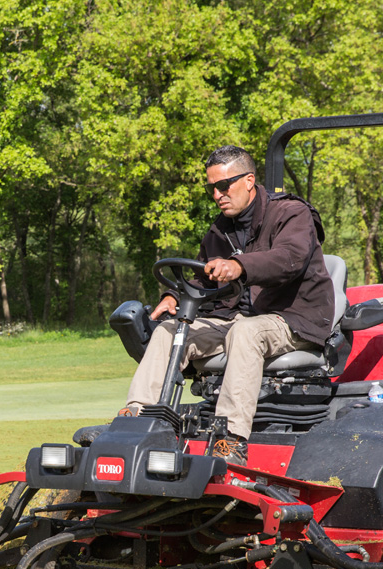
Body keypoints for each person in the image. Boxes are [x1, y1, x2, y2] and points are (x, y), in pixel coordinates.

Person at [123, 145, 334, 463]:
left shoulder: (291, 213)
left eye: (224, 185)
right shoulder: (220, 230)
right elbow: (203, 278)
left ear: (249, 180)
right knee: (169, 331)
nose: (217, 194)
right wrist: (173, 297)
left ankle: (230, 439)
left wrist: (241, 266)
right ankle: (137, 422)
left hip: (293, 319)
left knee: (246, 332)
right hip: (236, 319)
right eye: (211, 188)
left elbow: (288, 258)